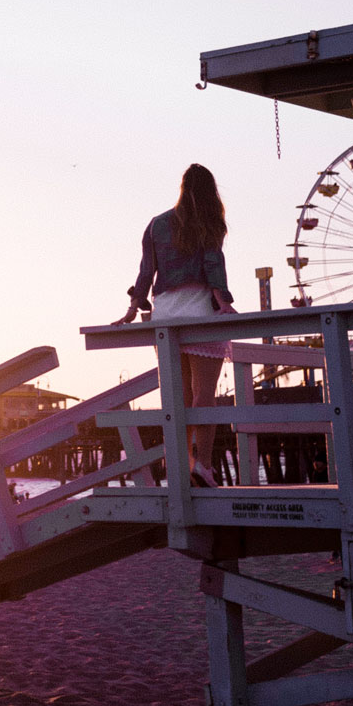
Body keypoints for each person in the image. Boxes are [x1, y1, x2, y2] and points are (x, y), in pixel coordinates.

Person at [115, 163, 236, 487]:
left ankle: (180, 466)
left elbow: (146, 272)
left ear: (182, 188)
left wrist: (132, 308)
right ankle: (205, 466)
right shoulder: (210, 222)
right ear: (211, 191)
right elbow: (212, 264)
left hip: (165, 315)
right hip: (198, 311)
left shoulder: (157, 225)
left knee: (178, 397)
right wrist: (223, 301)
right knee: (203, 396)